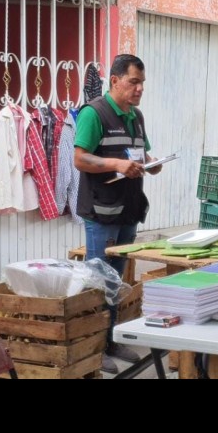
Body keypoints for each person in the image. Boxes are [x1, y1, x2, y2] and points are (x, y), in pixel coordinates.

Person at [73, 54, 162, 372]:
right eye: (133, 81)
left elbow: (142, 152)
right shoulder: (94, 113)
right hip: (101, 212)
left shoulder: (136, 116)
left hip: (129, 210)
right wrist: (116, 164)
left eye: (142, 83)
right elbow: (80, 159)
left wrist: (152, 163)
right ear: (114, 80)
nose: (139, 89)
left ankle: (110, 339)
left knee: (116, 278)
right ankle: (93, 348)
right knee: (98, 279)